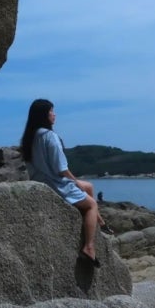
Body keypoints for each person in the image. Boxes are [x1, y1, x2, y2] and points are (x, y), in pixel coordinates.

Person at [20, 98, 103, 266]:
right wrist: (75, 181)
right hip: (56, 184)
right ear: (45, 115)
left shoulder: (30, 137)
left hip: (40, 181)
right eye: (51, 111)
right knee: (92, 204)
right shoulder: (49, 136)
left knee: (89, 186)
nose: (54, 114)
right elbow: (61, 168)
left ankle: (99, 221)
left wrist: (79, 184)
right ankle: (89, 247)